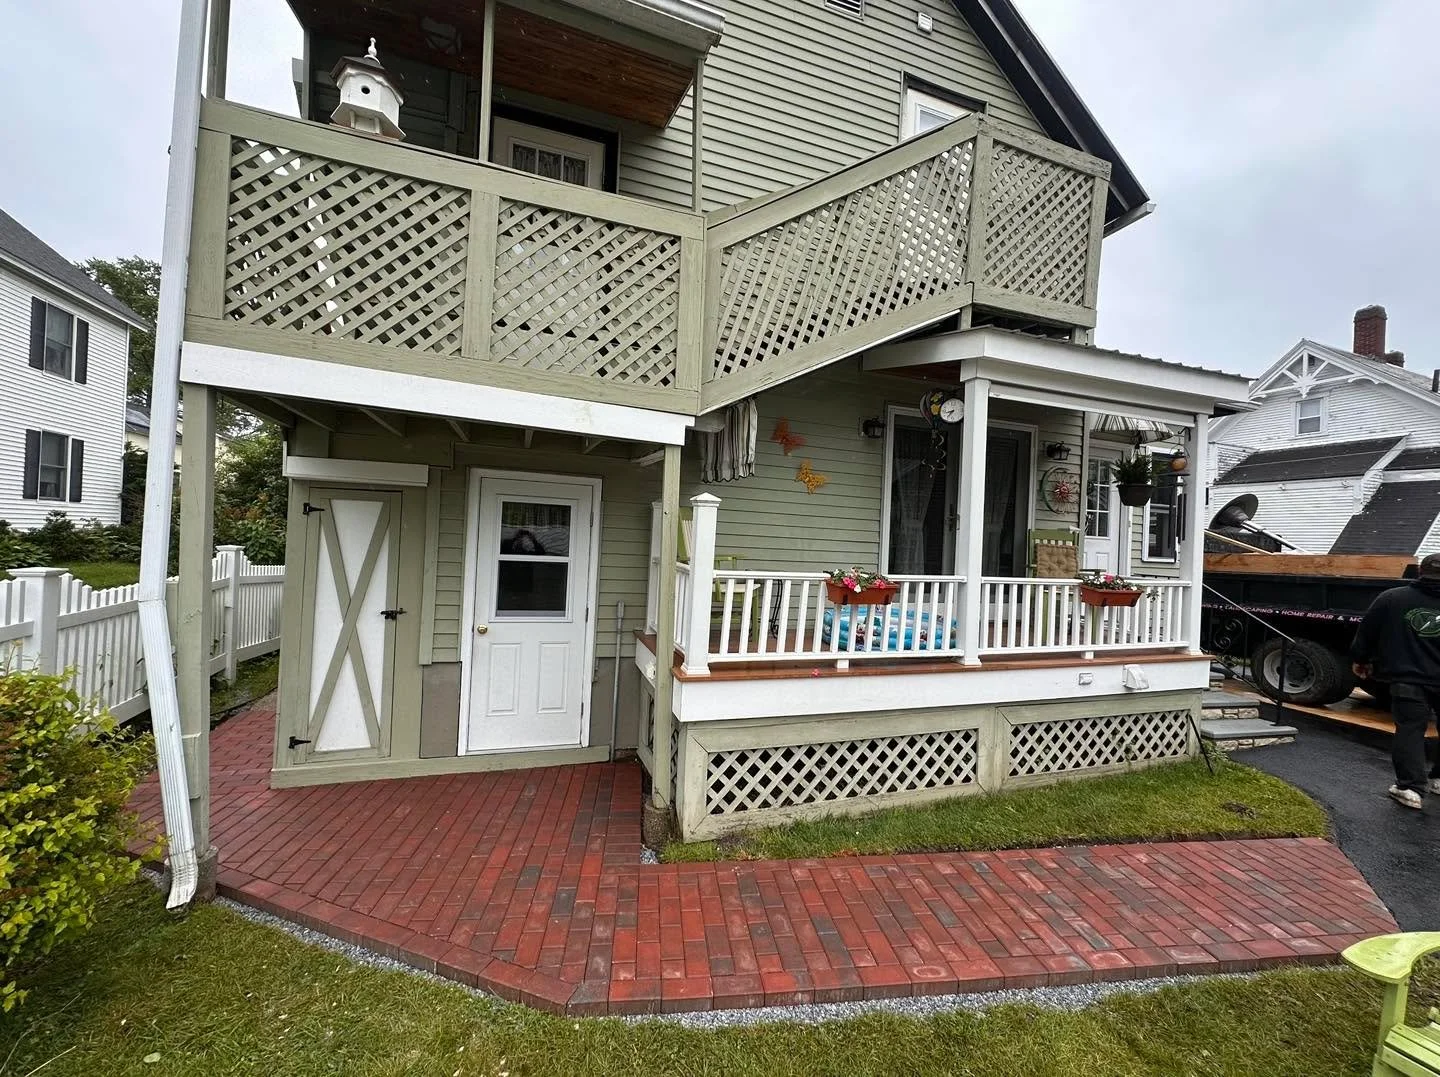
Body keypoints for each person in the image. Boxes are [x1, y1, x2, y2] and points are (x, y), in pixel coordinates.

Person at [1350, 552, 1440, 809]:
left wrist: (1361, 660)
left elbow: (1366, 634)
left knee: (1411, 729)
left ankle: (1411, 788)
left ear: (1420, 572)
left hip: (1408, 678)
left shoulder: (1392, 598)